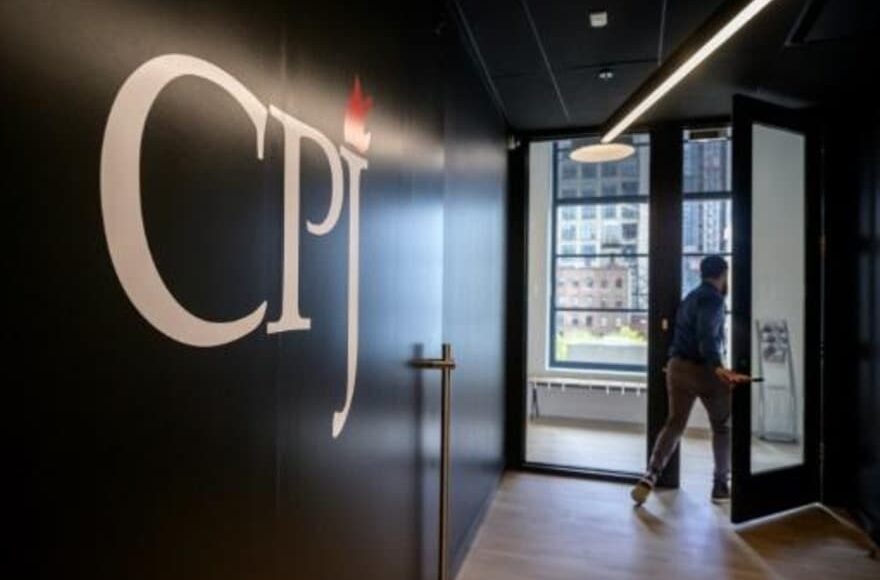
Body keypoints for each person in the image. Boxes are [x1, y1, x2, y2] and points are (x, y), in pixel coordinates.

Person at [631, 255, 750, 506]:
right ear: (723, 274)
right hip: (704, 370)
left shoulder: (690, 298)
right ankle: (720, 485)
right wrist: (718, 368)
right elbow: (707, 335)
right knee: (722, 427)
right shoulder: (713, 299)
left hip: (677, 367)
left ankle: (651, 474)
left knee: (675, 423)